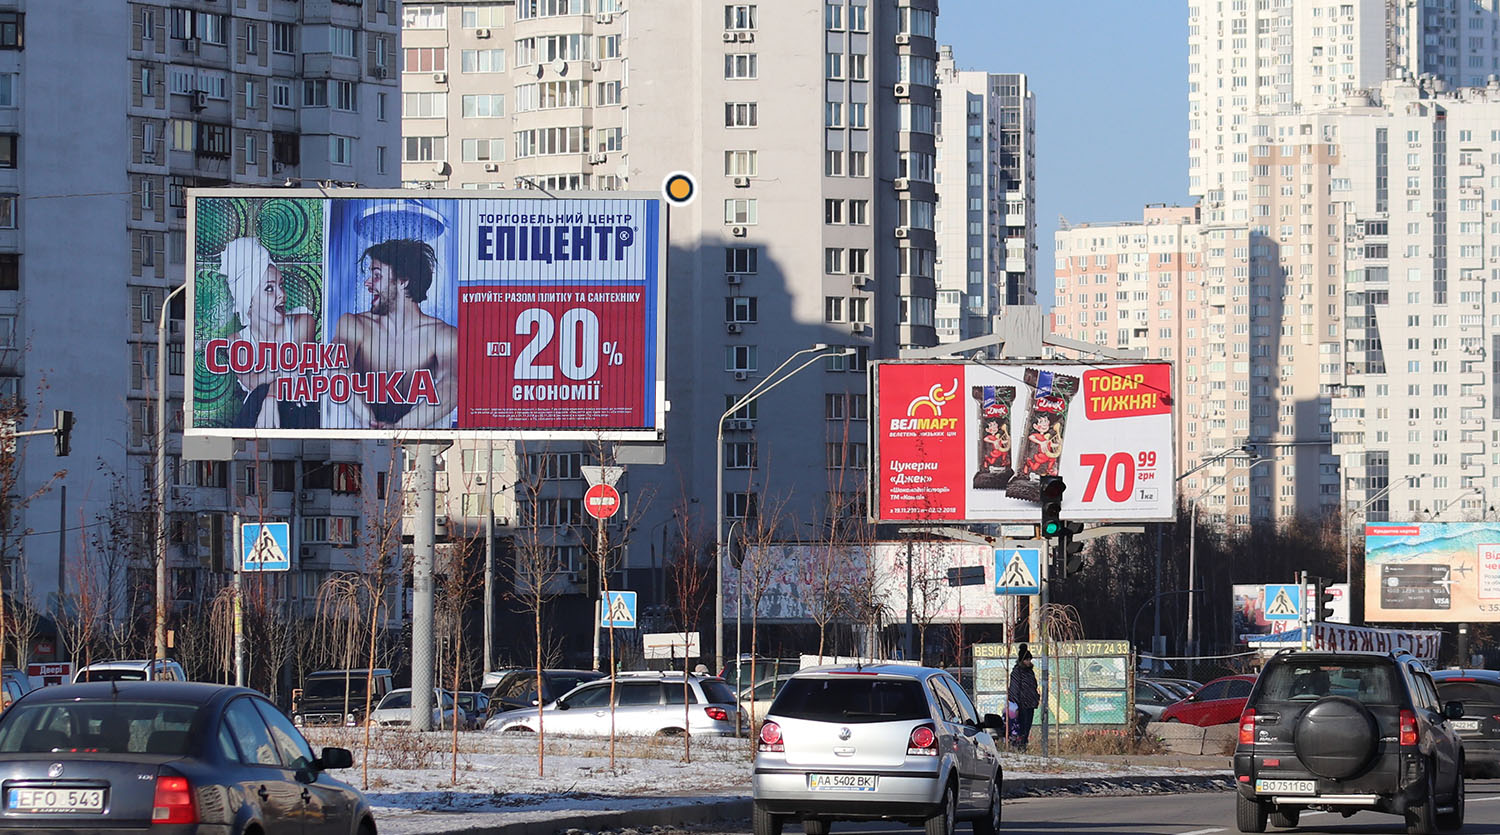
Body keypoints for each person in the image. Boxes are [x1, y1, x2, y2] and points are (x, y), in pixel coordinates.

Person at [333, 238, 458, 429]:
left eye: (376, 275)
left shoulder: (441, 335)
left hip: (415, 434)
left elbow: (452, 386)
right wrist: (368, 420)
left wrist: (400, 428)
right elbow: (338, 369)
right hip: (358, 428)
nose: (367, 283)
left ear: (403, 281)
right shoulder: (354, 324)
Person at [219, 237, 318, 428]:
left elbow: (295, 365)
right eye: (269, 289)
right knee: (258, 396)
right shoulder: (236, 342)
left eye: (281, 285)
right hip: (257, 418)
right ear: (249, 301)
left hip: (300, 411)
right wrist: (273, 385)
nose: (282, 294)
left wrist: (272, 395)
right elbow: (252, 383)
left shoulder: (302, 322)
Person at [1006, 644, 1039, 750]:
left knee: (1027, 726)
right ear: (1022, 660)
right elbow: (1014, 689)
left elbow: (1034, 686)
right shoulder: (1017, 672)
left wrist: (1036, 697)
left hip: (1030, 704)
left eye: (1029, 659)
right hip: (1021, 704)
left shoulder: (1030, 672)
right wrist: (1015, 705)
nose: (1029, 662)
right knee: (1021, 726)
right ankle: (1019, 745)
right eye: (1027, 659)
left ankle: (1023, 744)